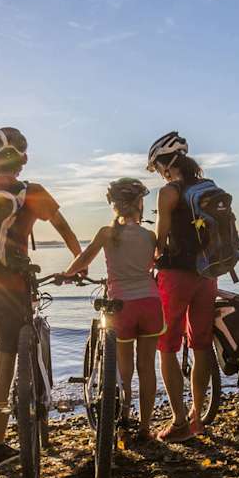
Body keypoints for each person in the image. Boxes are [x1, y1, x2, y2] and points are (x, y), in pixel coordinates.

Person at [0, 127, 83, 469]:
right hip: (12, 288)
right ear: (22, 159)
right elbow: (65, 230)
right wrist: (76, 265)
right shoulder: (31, 192)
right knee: (5, 365)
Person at [61, 178, 162, 444]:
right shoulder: (150, 236)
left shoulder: (106, 233)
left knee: (125, 370)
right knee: (147, 368)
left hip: (122, 305)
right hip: (151, 304)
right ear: (139, 205)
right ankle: (146, 428)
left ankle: (125, 419)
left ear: (114, 206)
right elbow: (154, 265)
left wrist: (67, 274)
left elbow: (84, 259)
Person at [146, 131, 215, 443]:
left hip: (176, 276)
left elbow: (160, 241)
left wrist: (149, 259)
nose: (159, 172)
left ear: (167, 163)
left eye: (158, 166)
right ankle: (197, 417)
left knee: (167, 347)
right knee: (201, 345)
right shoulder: (208, 187)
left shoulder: (169, 192)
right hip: (208, 273)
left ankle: (178, 422)